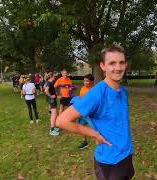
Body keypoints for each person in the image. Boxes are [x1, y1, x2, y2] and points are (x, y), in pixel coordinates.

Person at [56, 44, 134, 180]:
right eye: (112, 63)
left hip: (126, 155)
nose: (118, 68)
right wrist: (94, 134)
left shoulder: (123, 91)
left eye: (121, 62)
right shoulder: (97, 93)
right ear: (103, 66)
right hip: (109, 162)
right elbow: (62, 121)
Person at [76, 74, 95, 149]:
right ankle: (85, 141)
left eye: (87, 81)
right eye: (84, 80)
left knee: (95, 128)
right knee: (81, 126)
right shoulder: (82, 88)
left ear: (92, 82)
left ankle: (103, 142)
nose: (85, 82)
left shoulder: (94, 90)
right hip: (83, 112)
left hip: (91, 114)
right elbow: (81, 99)